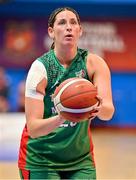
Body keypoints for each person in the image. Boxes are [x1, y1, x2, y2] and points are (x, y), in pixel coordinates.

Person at [18, 7, 115, 179]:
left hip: (80, 159)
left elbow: (108, 112)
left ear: (80, 30)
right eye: (62, 23)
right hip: (40, 158)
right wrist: (63, 115)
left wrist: (98, 108)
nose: (68, 27)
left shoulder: (95, 63)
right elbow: (33, 128)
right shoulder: (40, 68)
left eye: (73, 23)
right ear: (51, 32)